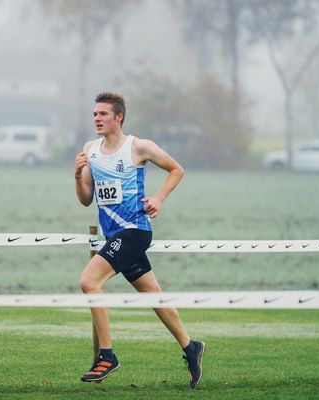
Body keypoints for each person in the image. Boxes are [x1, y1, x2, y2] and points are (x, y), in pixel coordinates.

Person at [74, 92, 205, 388]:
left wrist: (158, 198)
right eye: (94, 114)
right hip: (113, 235)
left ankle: (106, 356)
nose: (97, 118)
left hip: (134, 231)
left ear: (118, 117)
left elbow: (176, 169)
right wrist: (77, 175)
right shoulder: (89, 150)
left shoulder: (139, 147)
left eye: (103, 114)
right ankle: (190, 347)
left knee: (89, 282)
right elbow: (85, 199)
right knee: (154, 296)